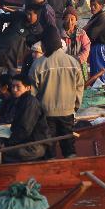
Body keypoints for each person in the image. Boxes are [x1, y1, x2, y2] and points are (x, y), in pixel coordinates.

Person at [29, 28, 83, 158]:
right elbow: (79, 87)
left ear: (45, 44)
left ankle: (51, 171)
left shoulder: (38, 64)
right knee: (69, 147)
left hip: (47, 114)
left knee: (49, 148)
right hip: (67, 112)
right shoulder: (73, 62)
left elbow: (31, 94)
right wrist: (75, 105)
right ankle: (71, 170)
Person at [0, 74, 50, 163]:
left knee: (0, 152)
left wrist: (8, 143)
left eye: (18, 87)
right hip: (22, 141)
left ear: (27, 88)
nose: (14, 89)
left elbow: (24, 130)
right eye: (13, 86)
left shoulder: (30, 102)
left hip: (34, 145)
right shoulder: (18, 100)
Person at [85, 0, 105, 85]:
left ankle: (104, 95)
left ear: (101, 6)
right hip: (96, 48)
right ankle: (96, 93)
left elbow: (91, 34)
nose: (92, 7)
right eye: (91, 5)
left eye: (95, 5)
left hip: (102, 49)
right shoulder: (95, 18)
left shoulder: (102, 18)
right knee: (95, 73)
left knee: (102, 74)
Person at [62, 7, 90, 77]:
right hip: (64, 66)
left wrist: (78, 59)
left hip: (80, 65)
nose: (70, 22)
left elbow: (86, 48)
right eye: (67, 19)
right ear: (63, 19)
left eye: (72, 19)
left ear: (76, 20)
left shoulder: (82, 33)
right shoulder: (59, 34)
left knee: (81, 86)